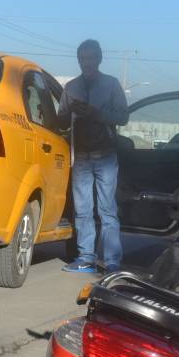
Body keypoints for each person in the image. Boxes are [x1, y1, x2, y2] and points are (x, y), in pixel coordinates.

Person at [59, 39, 129, 274]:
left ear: (99, 59)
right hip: (80, 156)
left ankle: (112, 261)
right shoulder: (71, 87)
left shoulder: (111, 85)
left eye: (90, 58)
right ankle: (86, 257)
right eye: (82, 58)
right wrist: (70, 111)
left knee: (107, 209)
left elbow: (123, 117)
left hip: (106, 155)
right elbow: (60, 120)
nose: (86, 63)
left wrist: (96, 113)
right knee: (82, 210)